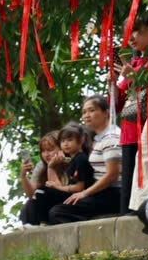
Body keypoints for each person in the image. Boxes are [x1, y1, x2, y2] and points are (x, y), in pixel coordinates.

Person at [50, 95, 123, 224]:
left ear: (106, 113)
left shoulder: (111, 137)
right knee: (49, 197)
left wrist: (85, 193)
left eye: (91, 110)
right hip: (100, 191)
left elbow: (113, 175)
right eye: (84, 112)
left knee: (58, 212)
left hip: (112, 193)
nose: (86, 115)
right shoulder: (99, 138)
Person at [115, 10, 148, 212]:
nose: (130, 38)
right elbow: (118, 102)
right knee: (130, 180)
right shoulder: (135, 62)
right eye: (127, 33)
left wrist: (134, 76)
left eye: (136, 31)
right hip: (130, 130)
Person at [19, 132, 69, 226]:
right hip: (48, 202)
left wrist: (51, 167)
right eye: (43, 151)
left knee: (43, 191)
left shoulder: (70, 162)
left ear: (61, 148)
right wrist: (23, 176)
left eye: (50, 150)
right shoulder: (41, 166)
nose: (46, 154)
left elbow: (55, 189)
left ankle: (43, 223)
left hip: (65, 202)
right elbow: (31, 194)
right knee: (27, 206)